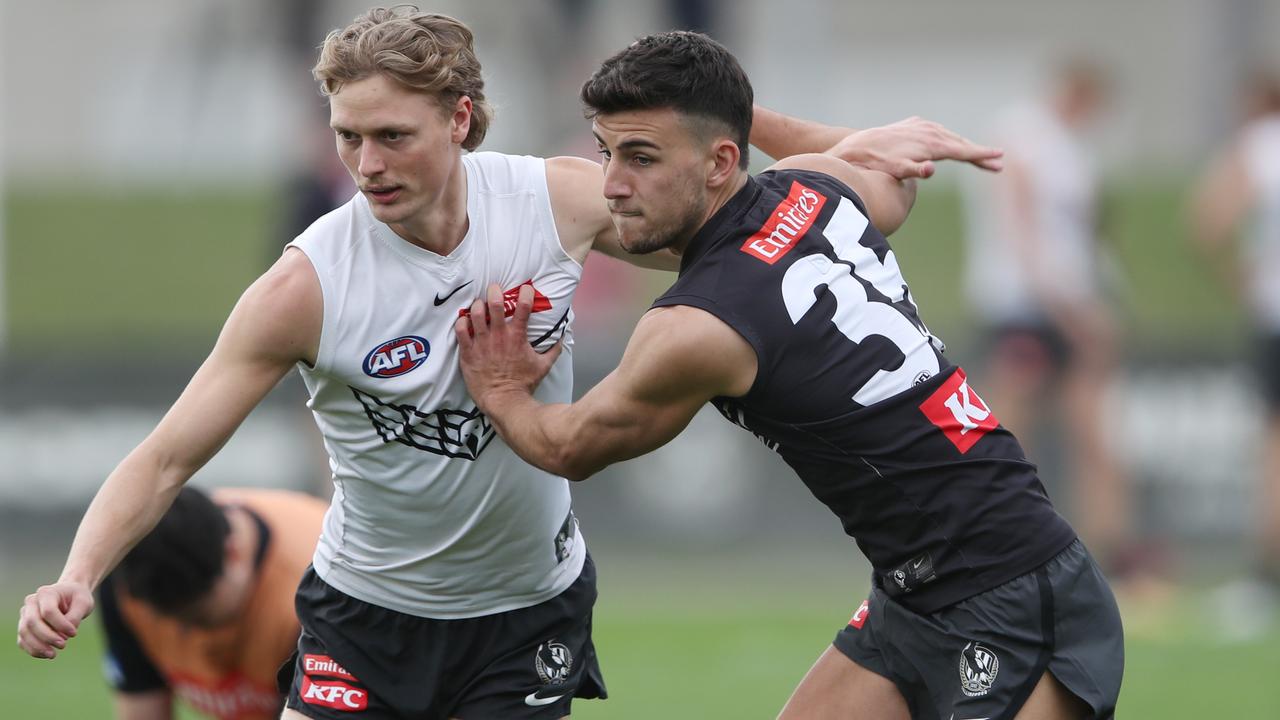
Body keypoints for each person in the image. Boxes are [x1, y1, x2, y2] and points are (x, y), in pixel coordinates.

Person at [16, 7, 1002, 719]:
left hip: (526, 615)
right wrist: (78, 574)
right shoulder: (305, 286)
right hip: (364, 615)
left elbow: (742, 211)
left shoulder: (557, 203)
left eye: (392, 135)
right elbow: (164, 458)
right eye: (347, 137)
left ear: (458, 117)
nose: (366, 165)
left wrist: (853, 146)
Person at [457, 31, 1123, 719]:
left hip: (1011, 592)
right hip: (917, 594)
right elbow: (888, 174)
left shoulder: (697, 326)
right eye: (607, 152)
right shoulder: (813, 189)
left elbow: (569, 446)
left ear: (720, 160)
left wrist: (502, 390)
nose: (613, 185)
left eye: (641, 157)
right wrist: (753, 117)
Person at [958, 60, 1152, 584]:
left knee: (1096, 434)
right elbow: (1022, 237)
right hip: (1023, 307)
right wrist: (1071, 312)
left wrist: (1097, 303)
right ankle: (994, 549)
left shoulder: (1072, 150)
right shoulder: (1021, 136)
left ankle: (1114, 558)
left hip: (1072, 305)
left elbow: (1078, 240)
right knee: (1009, 436)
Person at [97, 486, 326, 720]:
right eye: (165, 618)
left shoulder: (318, 593)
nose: (184, 634)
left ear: (233, 552)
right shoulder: (130, 586)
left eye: (198, 617)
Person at [1191, 67, 1280, 639]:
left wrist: (1240, 274)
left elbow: (1208, 220)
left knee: (1274, 445)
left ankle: (1269, 576)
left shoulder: (1260, 145)